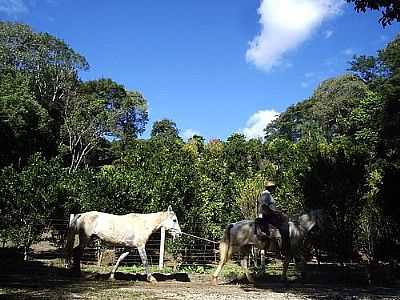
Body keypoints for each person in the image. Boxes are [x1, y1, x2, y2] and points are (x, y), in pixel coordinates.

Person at [255, 181, 290, 254]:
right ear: (270, 188)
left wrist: (279, 210)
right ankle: (285, 246)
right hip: (268, 215)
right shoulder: (266, 195)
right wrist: (278, 212)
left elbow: (271, 206)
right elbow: (267, 207)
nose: (274, 189)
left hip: (268, 214)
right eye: (273, 188)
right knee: (284, 222)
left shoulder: (265, 194)